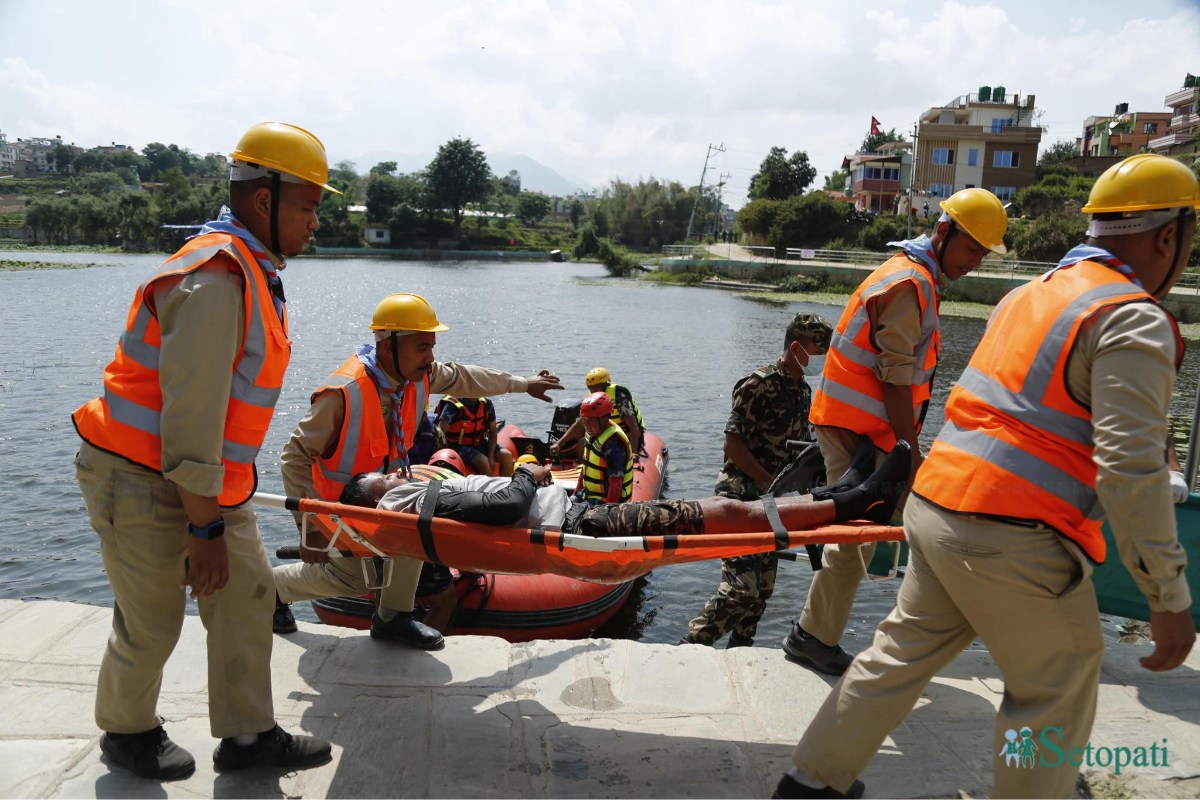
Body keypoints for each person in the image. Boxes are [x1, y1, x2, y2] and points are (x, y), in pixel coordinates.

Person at [774, 153, 1198, 800]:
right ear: (1170, 237)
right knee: (1055, 690)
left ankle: (808, 784)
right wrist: (1166, 596)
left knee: (897, 658)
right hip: (1017, 534)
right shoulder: (1130, 316)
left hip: (939, 507)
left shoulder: (1028, 295)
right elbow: (1131, 467)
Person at [70, 122, 338, 780]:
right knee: (153, 620)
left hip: (208, 481)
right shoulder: (216, 279)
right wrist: (205, 529)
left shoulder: (249, 269)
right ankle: (126, 731)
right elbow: (189, 422)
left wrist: (212, 516)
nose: (315, 223)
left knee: (247, 594)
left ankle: (248, 737)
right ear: (265, 200)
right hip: (139, 477)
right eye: (308, 206)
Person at [783, 187, 1009, 676]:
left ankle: (837, 636)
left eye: (983, 254)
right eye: (971, 248)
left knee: (898, 531)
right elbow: (896, 376)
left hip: (863, 431)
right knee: (870, 535)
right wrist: (911, 451)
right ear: (944, 231)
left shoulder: (913, 275)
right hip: (859, 434)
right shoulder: (910, 283)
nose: (975, 262)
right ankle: (816, 638)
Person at [273, 292, 562, 649]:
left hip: (389, 500)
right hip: (339, 510)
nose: (431, 358)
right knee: (353, 580)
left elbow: (466, 377)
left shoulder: (416, 377)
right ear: (389, 346)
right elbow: (294, 456)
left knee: (411, 533)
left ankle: (393, 618)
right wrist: (311, 526)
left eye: (432, 347)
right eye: (422, 347)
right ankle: (272, 589)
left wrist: (523, 384)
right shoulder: (344, 393)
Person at [341, 441, 911, 545]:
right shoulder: (416, 503)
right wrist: (529, 473)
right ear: (377, 499)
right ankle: (856, 500)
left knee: (732, 509)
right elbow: (510, 505)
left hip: (581, 513)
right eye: (383, 478)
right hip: (582, 525)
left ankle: (842, 492)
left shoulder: (415, 497)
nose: (395, 475)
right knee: (727, 511)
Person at [682, 312, 832, 648]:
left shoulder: (802, 392)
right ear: (797, 348)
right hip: (740, 497)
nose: (822, 359)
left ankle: (740, 649)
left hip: (773, 503)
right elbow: (732, 444)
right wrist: (770, 483)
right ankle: (690, 646)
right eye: (818, 350)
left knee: (762, 590)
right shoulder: (757, 384)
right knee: (741, 589)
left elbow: (800, 449)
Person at [551, 367, 645, 459]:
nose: (593, 391)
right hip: (606, 435)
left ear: (605, 384)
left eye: (596, 387)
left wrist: (632, 453)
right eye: (590, 388)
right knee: (581, 443)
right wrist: (559, 443)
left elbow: (633, 427)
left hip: (624, 438)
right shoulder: (593, 398)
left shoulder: (619, 397)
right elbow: (580, 423)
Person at [573, 391, 634, 504]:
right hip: (588, 495)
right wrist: (576, 493)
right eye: (585, 420)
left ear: (605, 419)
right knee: (563, 503)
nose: (587, 425)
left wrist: (606, 511)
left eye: (591, 421)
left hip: (604, 502)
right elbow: (586, 468)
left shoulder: (613, 444)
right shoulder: (592, 434)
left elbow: (616, 485)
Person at [433, 395, 513, 477]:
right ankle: (491, 484)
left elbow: (493, 431)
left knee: (506, 456)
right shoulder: (452, 406)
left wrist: (491, 456)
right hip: (456, 446)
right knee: (483, 461)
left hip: (479, 443)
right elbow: (440, 433)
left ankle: (507, 484)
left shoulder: (487, 404)